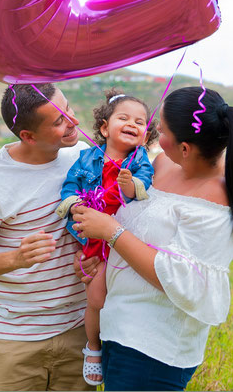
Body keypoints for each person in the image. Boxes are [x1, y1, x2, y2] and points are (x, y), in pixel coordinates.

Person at [72, 86, 233, 391]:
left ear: (185, 148)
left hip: (153, 348)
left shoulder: (218, 202)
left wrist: (111, 233)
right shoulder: (162, 165)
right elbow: (139, 227)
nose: (154, 131)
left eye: (162, 129)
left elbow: (178, 277)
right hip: (118, 326)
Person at [0, 84, 97, 391]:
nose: (72, 121)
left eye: (68, 108)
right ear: (28, 137)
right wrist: (16, 259)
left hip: (80, 330)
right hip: (13, 338)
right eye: (58, 121)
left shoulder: (84, 157)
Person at [54, 89, 157, 385]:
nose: (132, 124)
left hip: (123, 235)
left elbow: (142, 190)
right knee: (97, 298)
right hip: (93, 235)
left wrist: (130, 184)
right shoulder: (88, 158)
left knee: (119, 297)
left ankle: (120, 341)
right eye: (123, 118)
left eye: (140, 122)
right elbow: (71, 185)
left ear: (145, 134)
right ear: (104, 128)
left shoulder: (139, 162)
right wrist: (73, 203)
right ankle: (94, 348)